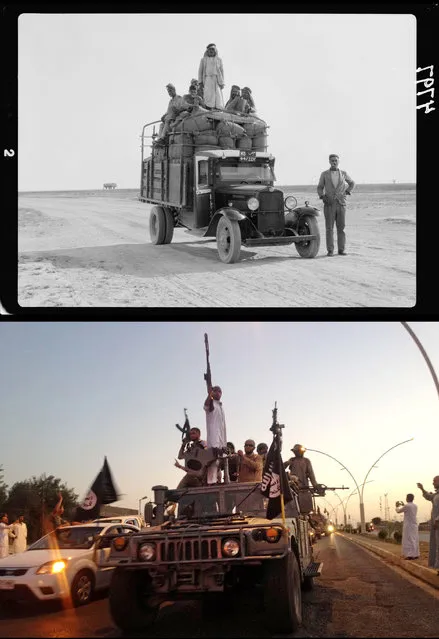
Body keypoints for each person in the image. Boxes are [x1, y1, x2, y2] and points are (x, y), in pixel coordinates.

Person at [317, 154, 356, 256]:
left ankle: (341, 250)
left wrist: (347, 192)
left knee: (341, 228)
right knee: (329, 228)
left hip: (341, 203)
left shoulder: (343, 173)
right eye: (332, 160)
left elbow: (352, 183)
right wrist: (322, 197)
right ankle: (330, 250)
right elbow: (320, 187)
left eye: (336, 160)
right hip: (329, 204)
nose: (334, 162)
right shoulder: (324, 174)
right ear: (329, 162)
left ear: (338, 162)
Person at [284, 444, 321, 513]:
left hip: (304, 487)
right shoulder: (292, 460)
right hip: (293, 487)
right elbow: (282, 468)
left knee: (305, 508)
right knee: (293, 506)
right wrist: (287, 463)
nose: (298, 453)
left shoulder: (306, 461)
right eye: (296, 451)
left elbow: (311, 474)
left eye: (299, 451)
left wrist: (315, 485)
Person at [204, 385, 227, 485]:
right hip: (214, 439)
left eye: (220, 391)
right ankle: (211, 482)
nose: (218, 393)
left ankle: (219, 481)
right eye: (215, 391)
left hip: (222, 439)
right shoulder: (211, 404)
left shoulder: (220, 406)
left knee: (221, 461)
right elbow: (206, 404)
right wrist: (209, 394)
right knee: (213, 461)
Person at [417, 476, 439, 574]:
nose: (433, 483)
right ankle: (436, 566)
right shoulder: (436, 495)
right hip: (435, 524)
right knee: (435, 545)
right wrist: (422, 488)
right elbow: (428, 496)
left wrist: (437, 520)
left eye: (434, 481)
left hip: (437, 523)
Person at [198, 43, 225, 109]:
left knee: (217, 96)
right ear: (207, 51)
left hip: (216, 80)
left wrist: (222, 82)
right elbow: (200, 71)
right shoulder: (203, 60)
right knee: (208, 95)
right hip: (208, 79)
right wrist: (200, 82)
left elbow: (222, 71)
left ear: (215, 50)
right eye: (209, 49)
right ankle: (208, 108)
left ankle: (218, 109)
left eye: (212, 49)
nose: (211, 51)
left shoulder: (219, 60)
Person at [395, 494, 420, 560]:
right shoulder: (415, 506)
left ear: (407, 498)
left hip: (408, 525)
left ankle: (410, 555)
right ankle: (416, 554)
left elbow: (398, 511)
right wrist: (404, 505)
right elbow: (407, 509)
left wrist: (397, 506)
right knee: (415, 539)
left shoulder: (407, 506)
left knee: (409, 540)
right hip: (414, 525)